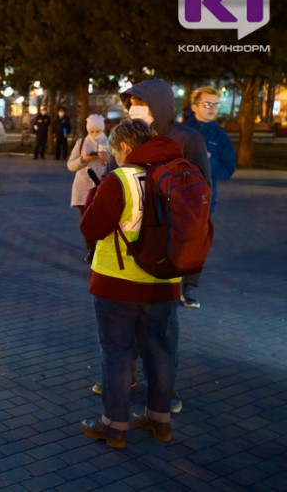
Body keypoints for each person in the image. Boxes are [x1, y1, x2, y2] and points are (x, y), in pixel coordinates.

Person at [79, 119, 182, 449]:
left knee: (118, 353)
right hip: (165, 279)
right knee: (160, 351)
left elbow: (91, 227)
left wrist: (97, 191)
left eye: (112, 150)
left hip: (118, 282)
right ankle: (159, 419)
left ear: (124, 148)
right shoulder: (176, 172)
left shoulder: (120, 178)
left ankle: (114, 424)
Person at [119, 79, 211, 414]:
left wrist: (191, 268)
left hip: (167, 248)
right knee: (123, 319)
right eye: (130, 103)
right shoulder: (129, 136)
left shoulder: (187, 139)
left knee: (161, 327)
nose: (134, 109)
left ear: (158, 105)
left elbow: (201, 200)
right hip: (130, 247)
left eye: (140, 102)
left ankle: (164, 393)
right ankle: (121, 376)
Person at [182, 86, 236, 308]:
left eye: (216, 104)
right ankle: (164, 287)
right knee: (171, 242)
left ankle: (188, 290)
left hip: (205, 202)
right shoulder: (181, 132)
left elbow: (228, 168)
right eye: (207, 104)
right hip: (177, 197)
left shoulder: (220, 137)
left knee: (196, 246)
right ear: (195, 106)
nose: (212, 108)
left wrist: (208, 165)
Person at [67, 114, 108, 263]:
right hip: (82, 189)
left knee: (102, 220)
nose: (94, 134)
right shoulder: (81, 142)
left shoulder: (109, 142)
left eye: (97, 131)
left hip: (102, 188)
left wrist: (105, 160)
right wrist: (83, 160)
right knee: (87, 221)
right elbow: (70, 165)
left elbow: (117, 165)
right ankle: (91, 249)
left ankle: (101, 248)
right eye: (91, 131)